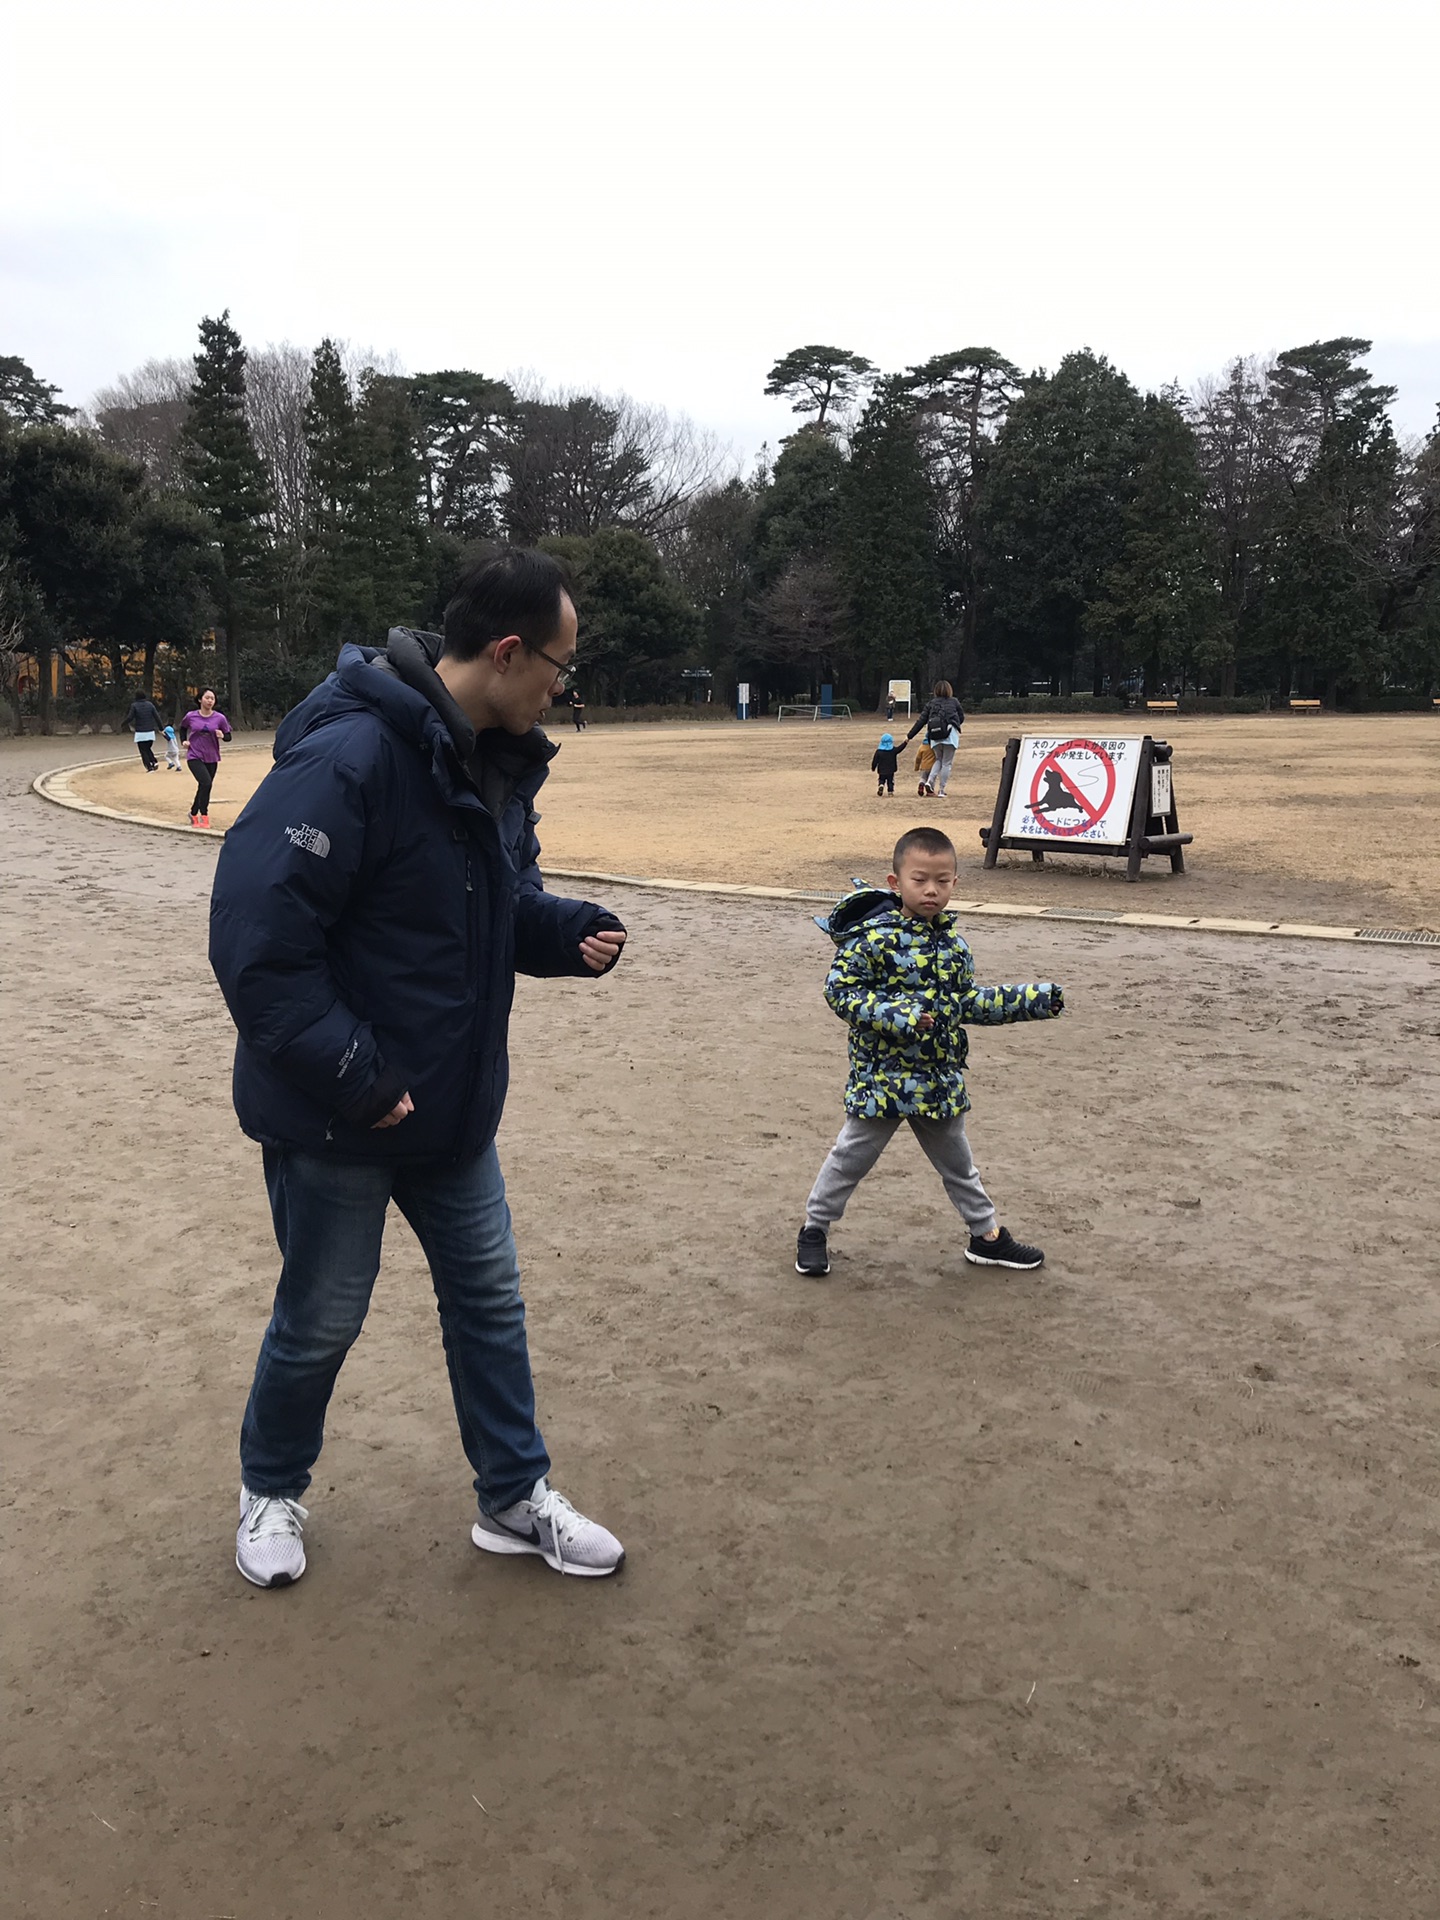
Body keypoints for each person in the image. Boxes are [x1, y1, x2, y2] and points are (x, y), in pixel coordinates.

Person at [209, 548, 630, 1590]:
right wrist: (357, 1073)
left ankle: (512, 1495)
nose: (561, 691)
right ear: (505, 651)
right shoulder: (349, 758)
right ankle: (272, 1487)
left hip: (451, 1109)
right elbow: (258, 947)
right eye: (558, 668)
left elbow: (482, 914)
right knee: (321, 1319)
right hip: (338, 1114)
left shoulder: (496, 760)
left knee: (490, 1301)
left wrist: (560, 931)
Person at [794, 826, 1064, 1280]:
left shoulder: (955, 947)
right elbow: (840, 992)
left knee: (960, 1165)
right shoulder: (872, 940)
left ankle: (987, 1236)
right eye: (920, 879)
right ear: (895, 882)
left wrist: (1031, 1000)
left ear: (956, 883)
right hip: (881, 1079)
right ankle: (814, 1229)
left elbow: (966, 1004)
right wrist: (900, 1013)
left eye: (943, 880)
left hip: (938, 1080)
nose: (932, 890)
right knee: (849, 1160)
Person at [904, 680, 965, 798]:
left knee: (938, 759)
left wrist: (909, 736)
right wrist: (955, 724)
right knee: (947, 763)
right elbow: (961, 717)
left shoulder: (931, 703)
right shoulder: (954, 701)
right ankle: (941, 789)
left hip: (934, 736)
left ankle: (929, 781)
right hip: (949, 734)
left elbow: (921, 721)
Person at [180, 689, 232, 826]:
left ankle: (193, 813)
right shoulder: (191, 716)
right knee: (206, 783)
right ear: (200, 699)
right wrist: (183, 741)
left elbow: (228, 736)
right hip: (194, 755)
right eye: (207, 698)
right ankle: (204, 815)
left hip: (212, 757)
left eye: (212, 699)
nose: (210, 701)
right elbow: (183, 727)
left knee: (204, 786)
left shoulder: (220, 718)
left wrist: (223, 736)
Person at [124, 691, 165, 771]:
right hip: (150, 731)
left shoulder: (134, 705)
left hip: (140, 731)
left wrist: (123, 723)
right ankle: (153, 761)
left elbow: (130, 717)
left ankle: (149, 766)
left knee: (143, 750)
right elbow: (157, 717)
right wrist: (161, 728)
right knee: (147, 748)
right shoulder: (150, 705)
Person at [871, 732, 900, 797]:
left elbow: (875, 760)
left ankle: (881, 785)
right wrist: (906, 742)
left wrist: (873, 767)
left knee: (881, 779)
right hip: (891, 770)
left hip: (881, 770)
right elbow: (900, 748)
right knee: (890, 781)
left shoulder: (879, 751)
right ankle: (890, 792)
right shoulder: (893, 750)